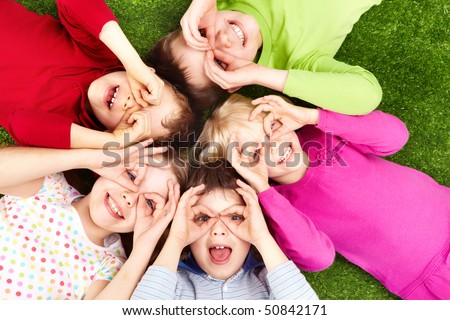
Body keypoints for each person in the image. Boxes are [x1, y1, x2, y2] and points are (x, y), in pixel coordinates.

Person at [194, 93, 450, 300]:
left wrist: (312, 116)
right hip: (428, 276)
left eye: (271, 127)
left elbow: (395, 137)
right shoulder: (282, 206)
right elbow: (317, 258)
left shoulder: (323, 133)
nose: (274, 146)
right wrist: (263, 189)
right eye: (252, 154)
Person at [0, 141, 187, 299]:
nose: (130, 197)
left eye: (149, 203)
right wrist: (88, 158)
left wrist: (143, 249)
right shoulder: (51, 188)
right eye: (131, 175)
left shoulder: (110, 266)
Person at [0, 0, 194, 149]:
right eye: (145, 94)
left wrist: (111, 140)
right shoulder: (102, 56)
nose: (130, 103)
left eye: (134, 120)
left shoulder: (74, 133)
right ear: (149, 74)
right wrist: (132, 62)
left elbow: (20, 124)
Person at [148, 0, 383, 113]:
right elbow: (367, 95)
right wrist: (263, 75)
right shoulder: (298, 61)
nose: (222, 39)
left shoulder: (221, 3)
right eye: (219, 62)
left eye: (202, 34)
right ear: (235, 80)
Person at [131, 163, 318, 300]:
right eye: (203, 218)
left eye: (235, 217)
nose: (218, 230)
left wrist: (262, 238)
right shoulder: (172, 284)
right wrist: (177, 239)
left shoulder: (268, 284)